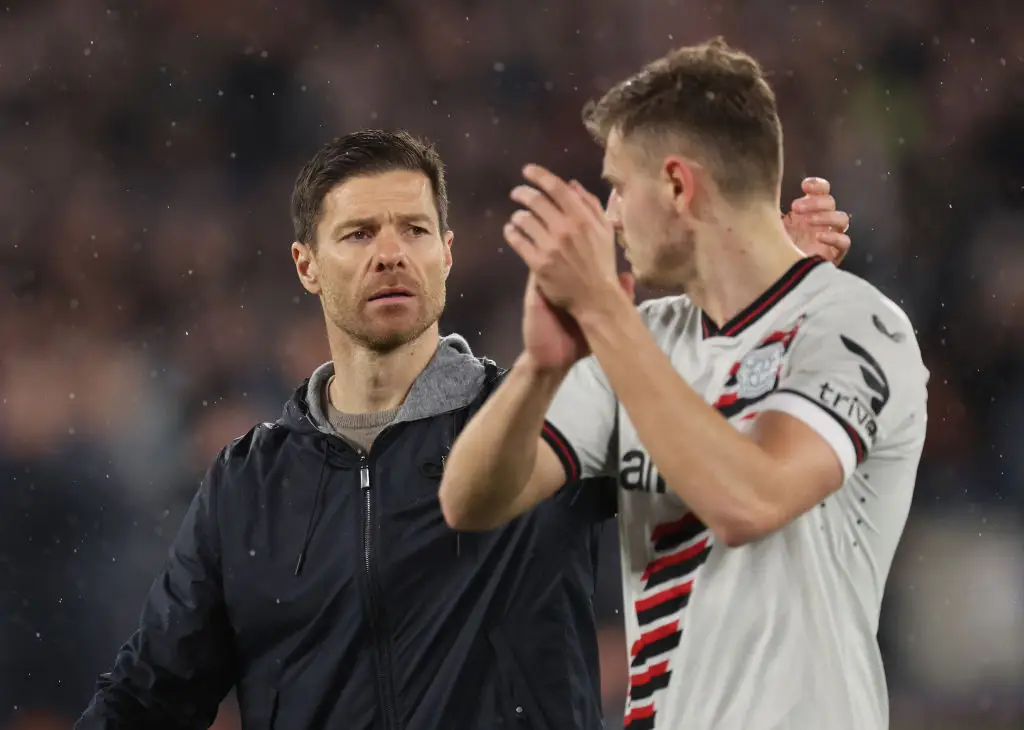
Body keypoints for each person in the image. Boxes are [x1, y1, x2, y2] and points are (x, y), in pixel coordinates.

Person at [76, 130, 850, 730]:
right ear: (306, 265)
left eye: (413, 229)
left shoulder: (547, 418)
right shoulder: (248, 484)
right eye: (357, 234)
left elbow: (727, 447)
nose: (390, 254)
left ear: (446, 254)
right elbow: (151, 696)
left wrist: (776, 310)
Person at [440, 38, 927, 730]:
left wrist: (607, 317)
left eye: (617, 185)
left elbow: (750, 501)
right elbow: (469, 499)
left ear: (676, 185)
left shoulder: (853, 325)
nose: (610, 216)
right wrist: (539, 367)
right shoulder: (647, 339)